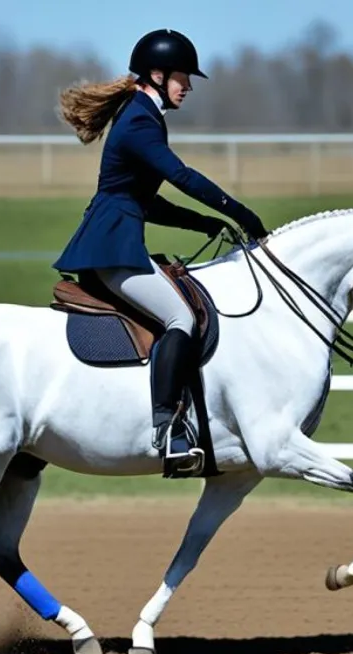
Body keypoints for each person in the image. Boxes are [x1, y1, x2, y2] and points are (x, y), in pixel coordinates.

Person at [52, 28, 269, 476]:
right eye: (182, 77)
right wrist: (241, 213)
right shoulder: (138, 119)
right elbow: (182, 177)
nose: (187, 86)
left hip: (116, 238)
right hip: (111, 247)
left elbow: (145, 201)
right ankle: (168, 429)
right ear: (156, 74)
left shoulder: (144, 115)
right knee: (181, 319)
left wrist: (207, 222)